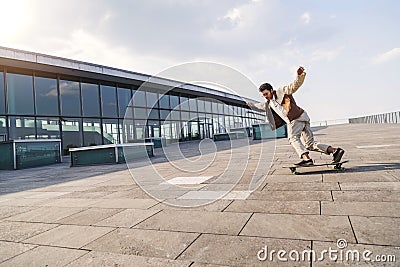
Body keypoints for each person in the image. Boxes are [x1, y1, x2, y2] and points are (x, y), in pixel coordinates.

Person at [247, 66, 344, 166]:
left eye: (266, 93)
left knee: (293, 138)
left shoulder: (281, 91)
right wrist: (252, 105)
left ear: (271, 90)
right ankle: (335, 151)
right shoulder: (268, 104)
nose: (266, 96)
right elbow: (260, 106)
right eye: (264, 95)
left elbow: (294, 86)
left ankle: (306, 159)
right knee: (309, 144)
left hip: (295, 119)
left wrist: (299, 75)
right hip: (303, 117)